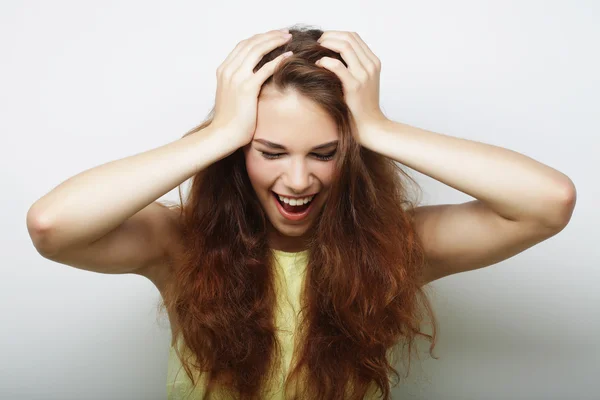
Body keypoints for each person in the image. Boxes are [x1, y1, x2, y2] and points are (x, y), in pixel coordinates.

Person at [26, 24, 576, 400]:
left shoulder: (399, 244)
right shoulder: (178, 242)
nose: (297, 180)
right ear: (237, 154)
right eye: (270, 152)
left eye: (324, 154)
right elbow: (53, 227)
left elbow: (547, 202)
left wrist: (379, 129)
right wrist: (220, 131)